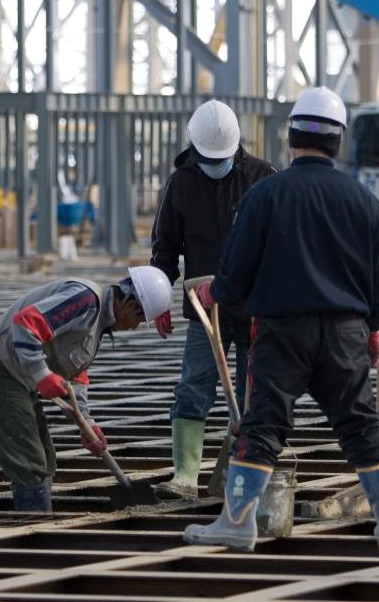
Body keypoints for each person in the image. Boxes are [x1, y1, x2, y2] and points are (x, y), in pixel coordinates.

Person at [184, 88, 379, 552]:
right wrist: (374, 328)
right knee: (362, 424)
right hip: (346, 329)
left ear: (291, 136)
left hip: (281, 330)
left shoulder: (265, 194)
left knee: (262, 424)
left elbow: (237, 269)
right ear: (339, 140)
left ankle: (238, 522)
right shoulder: (363, 200)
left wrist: (214, 292)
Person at [149, 100, 274, 499]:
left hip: (257, 307)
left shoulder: (262, 177)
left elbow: (280, 245)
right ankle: (186, 475)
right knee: (193, 386)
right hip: (205, 310)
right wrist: (157, 299)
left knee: (258, 391)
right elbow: (165, 250)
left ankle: (253, 470)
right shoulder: (181, 184)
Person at [0, 266, 174, 512]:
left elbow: (75, 377)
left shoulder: (98, 324)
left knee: (45, 459)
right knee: (29, 462)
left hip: (20, 379)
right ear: (130, 304)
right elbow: (25, 324)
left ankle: (38, 519)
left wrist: (87, 423)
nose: (135, 327)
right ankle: (34, 532)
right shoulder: (85, 299)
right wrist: (42, 373)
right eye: (140, 320)